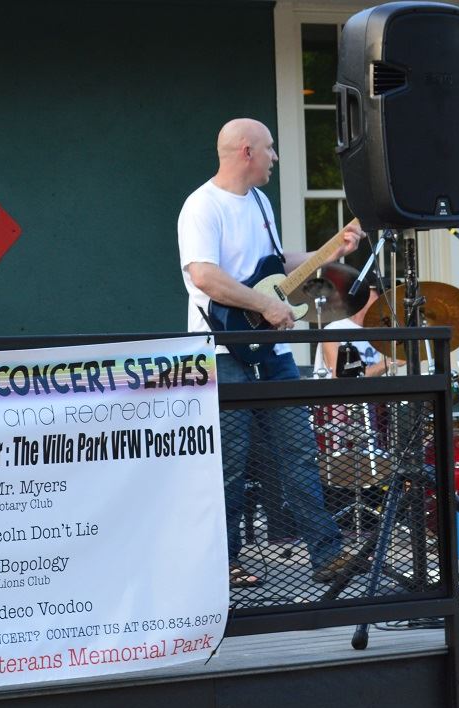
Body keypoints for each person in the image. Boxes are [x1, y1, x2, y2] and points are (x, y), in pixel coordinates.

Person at [178, 117, 366, 587]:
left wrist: (331, 252)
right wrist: (265, 305)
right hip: (223, 352)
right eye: (270, 148)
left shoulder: (261, 203)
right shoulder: (201, 206)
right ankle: (222, 564)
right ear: (246, 152)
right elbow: (204, 276)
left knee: (300, 452)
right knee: (230, 465)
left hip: (272, 350)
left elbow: (276, 267)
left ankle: (327, 557)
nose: (276, 157)